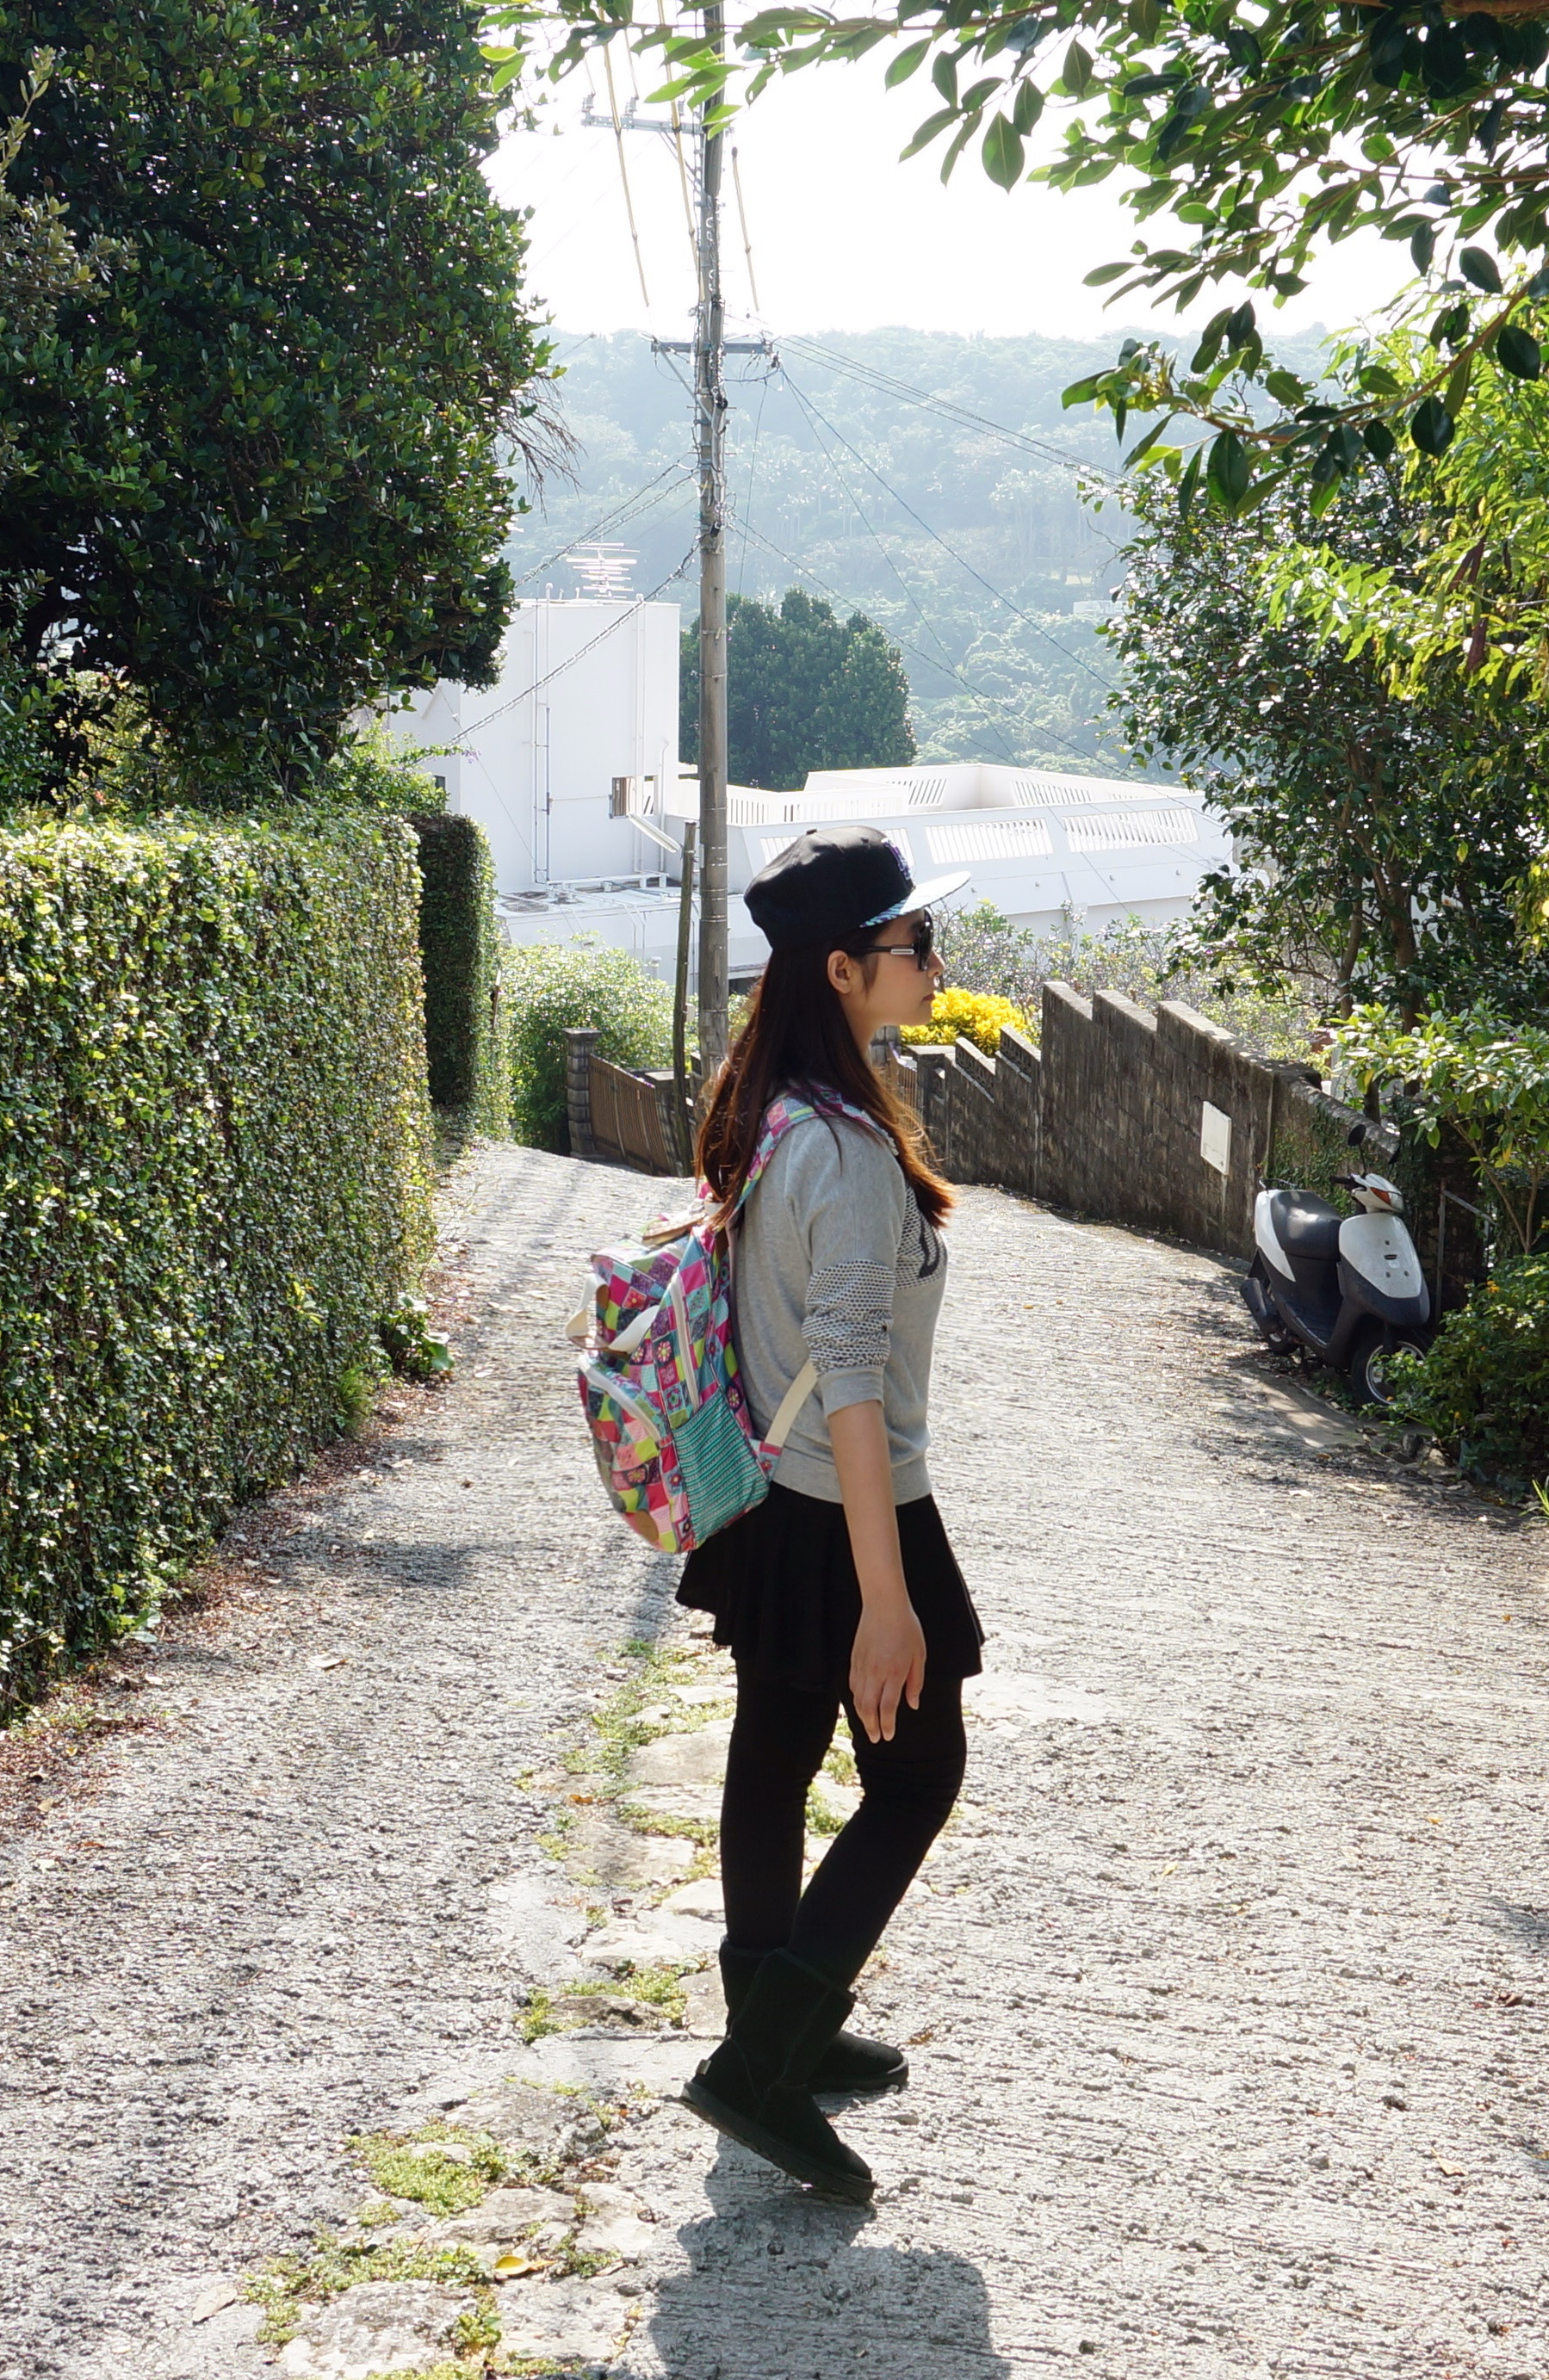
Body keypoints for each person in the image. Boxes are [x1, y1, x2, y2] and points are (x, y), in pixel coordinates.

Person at [671, 825, 989, 2208]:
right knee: (915, 1778)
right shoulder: (845, 1149)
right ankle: (764, 2058)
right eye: (919, 944)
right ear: (849, 968)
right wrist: (888, 1593)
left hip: (769, 1496)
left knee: (777, 1750)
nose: (936, 963)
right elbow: (855, 1378)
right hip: (848, 1503)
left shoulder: (773, 1106)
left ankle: (771, 2026)